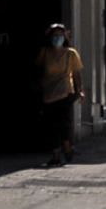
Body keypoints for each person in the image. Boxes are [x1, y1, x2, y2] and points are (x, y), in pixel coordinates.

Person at [35, 23, 84, 166]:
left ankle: (67, 146)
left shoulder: (71, 53)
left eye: (60, 35)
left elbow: (76, 73)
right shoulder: (45, 52)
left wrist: (80, 90)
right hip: (49, 92)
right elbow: (37, 67)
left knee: (64, 122)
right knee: (51, 124)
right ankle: (55, 154)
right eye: (54, 35)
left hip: (65, 91)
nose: (57, 38)